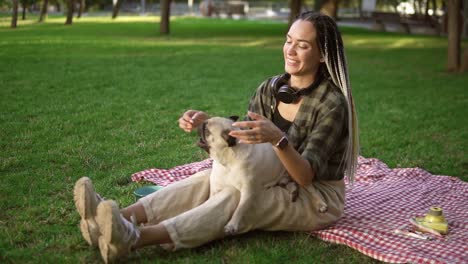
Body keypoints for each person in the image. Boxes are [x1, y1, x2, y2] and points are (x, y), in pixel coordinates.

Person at [73, 11, 359, 263]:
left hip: (315, 196)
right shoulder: (270, 89)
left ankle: (134, 238)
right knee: (207, 179)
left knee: (234, 195)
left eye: (303, 45)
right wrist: (206, 125)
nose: (290, 50)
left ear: (322, 55)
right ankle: (114, 218)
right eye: (288, 40)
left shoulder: (332, 104)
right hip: (269, 175)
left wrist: (278, 140)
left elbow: (305, 177)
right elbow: (243, 152)